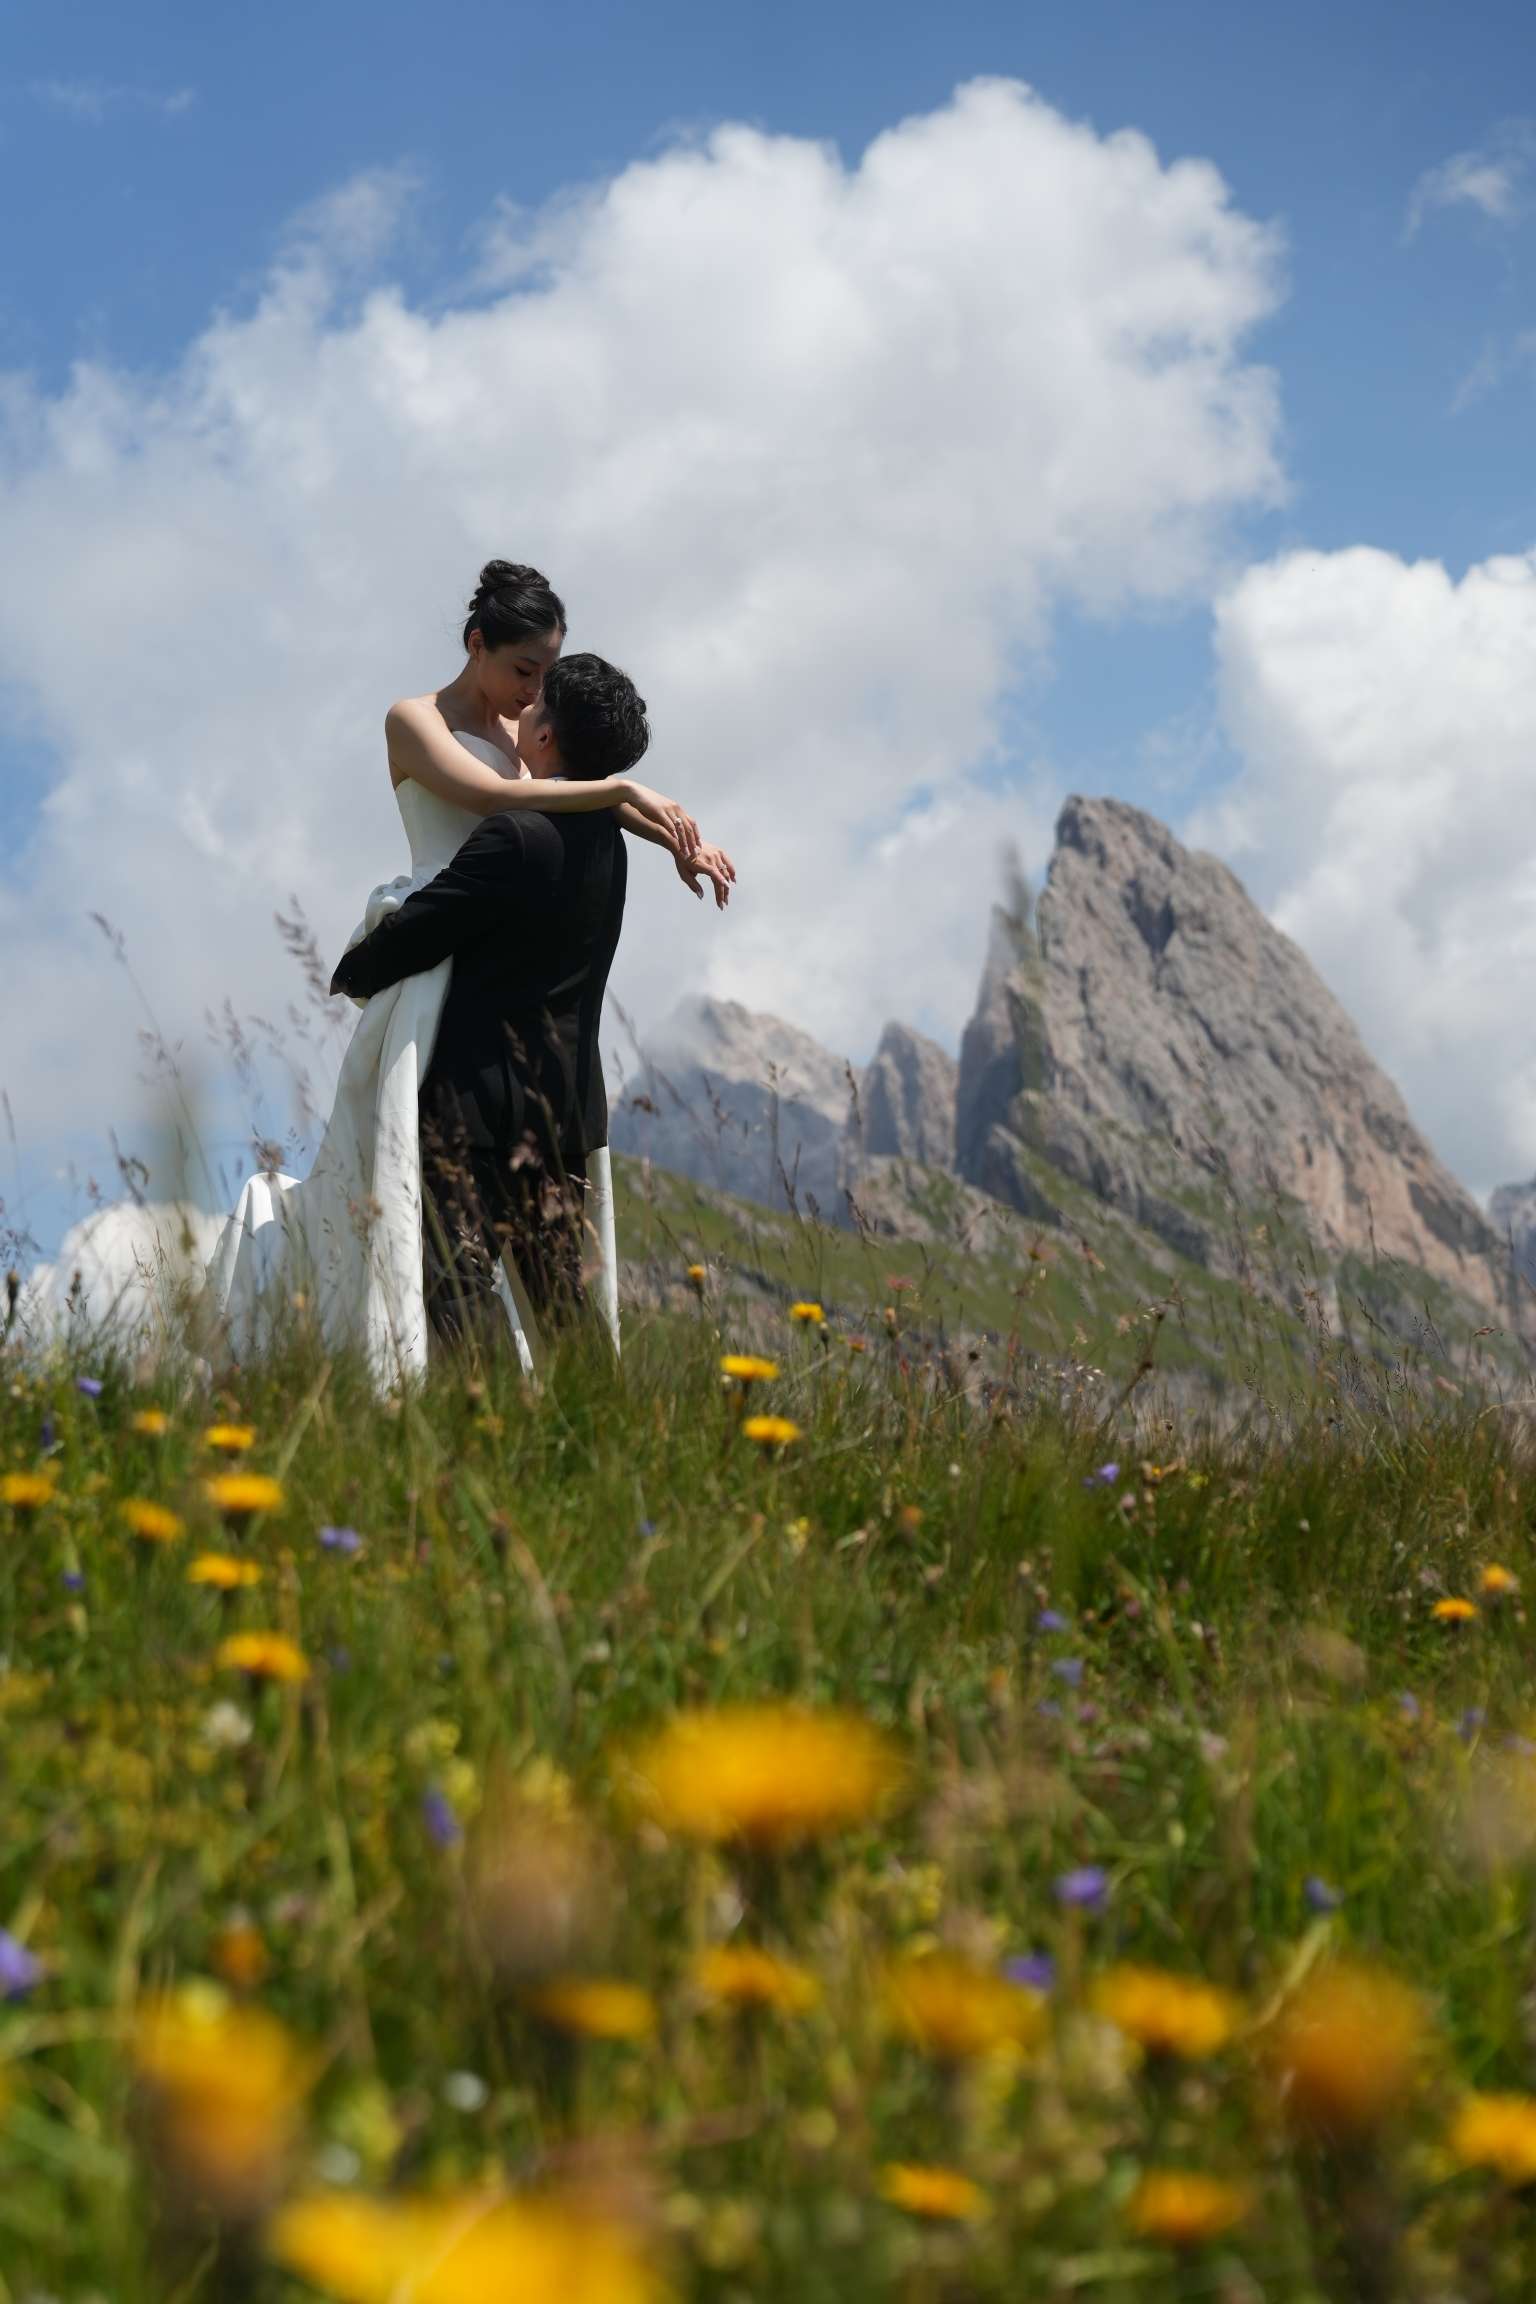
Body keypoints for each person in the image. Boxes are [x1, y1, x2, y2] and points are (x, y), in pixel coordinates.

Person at [200, 560, 733, 1382]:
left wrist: (671, 833)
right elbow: (496, 800)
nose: (533, 690)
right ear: (476, 644)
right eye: (523, 669)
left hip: (491, 969)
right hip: (434, 957)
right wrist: (628, 791)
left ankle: (472, 1388)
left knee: (489, 1260)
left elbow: (567, 787)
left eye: (546, 674)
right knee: (422, 1219)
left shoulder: (530, 735)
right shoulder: (415, 721)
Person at [330, 650, 643, 1359]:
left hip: (476, 1111)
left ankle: (486, 1416)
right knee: (562, 1301)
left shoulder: (515, 833)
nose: (523, 706)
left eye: (537, 702)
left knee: (456, 1288)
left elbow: (425, 927)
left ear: (545, 736)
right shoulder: (608, 844)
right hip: (564, 1114)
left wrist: (353, 969)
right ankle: (600, 1419)